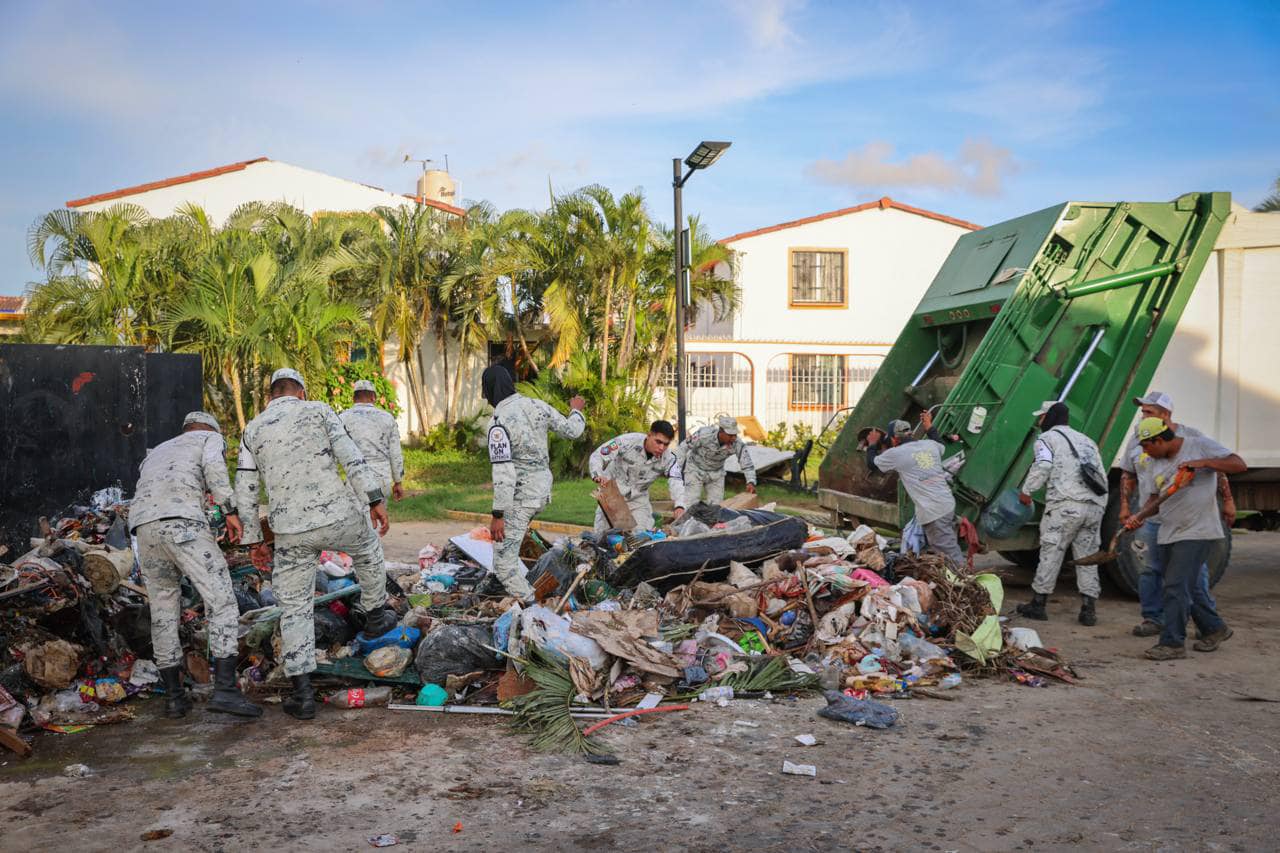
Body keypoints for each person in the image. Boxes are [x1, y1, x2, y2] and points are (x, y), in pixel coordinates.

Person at [235, 368, 395, 720]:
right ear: (302, 392)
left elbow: (245, 490)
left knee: (294, 608)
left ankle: (303, 695)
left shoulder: (253, 429)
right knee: (368, 550)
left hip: (290, 532)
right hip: (338, 515)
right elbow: (351, 457)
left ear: (270, 397)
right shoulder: (320, 410)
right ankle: (375, 615)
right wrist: (374, 499)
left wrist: (253, 540)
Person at [130, 411, 261, 720]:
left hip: (143, 530)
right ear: (212, 430)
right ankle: (226, 690)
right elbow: (215, 472)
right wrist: (230, 510)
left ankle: (175, 698)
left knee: (163, 611)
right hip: (183, 524)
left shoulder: (158, 450)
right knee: (221, 600)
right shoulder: (209, 438)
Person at [1123, 417, 1244, 660]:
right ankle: (1214, 627)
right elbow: (1154, 501)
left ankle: (1172, 643)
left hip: (1198, 530)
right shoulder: (1156, 462)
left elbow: (1238, 464)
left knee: (1175, 586)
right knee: (1186, 585)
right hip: (1169, 531)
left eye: (1147, 446)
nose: (1144, 452)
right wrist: (1139, 517)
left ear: (1159, 439)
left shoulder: (1198, 445)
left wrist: (1203, 463)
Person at [484, 365, 586, 601]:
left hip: (519, 498)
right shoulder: (537, 405)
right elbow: (572, 430)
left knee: (504, 567)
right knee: (508, 549)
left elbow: (503, 473)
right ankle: (498, 593)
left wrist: (498, 514)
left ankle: (534, 606)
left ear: (489, 390)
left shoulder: (498, 422)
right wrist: (576, 410)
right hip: (541, 493)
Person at [1013, 401, 1107, 625]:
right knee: (1087, 556)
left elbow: (1043, 465)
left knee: (1052, 551)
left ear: (1049, 417)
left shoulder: (1046, 439)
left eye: (1042, 416)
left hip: (1066, 505)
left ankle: (1038, 604)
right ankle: (1088, 610)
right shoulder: (1087, 440)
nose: (1039, 421)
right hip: (1094, 506)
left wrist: (1027, 490)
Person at [862, 411, 964, 565]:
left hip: (933, 511)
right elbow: (940, 444)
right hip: (947, 504)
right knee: (942, 548)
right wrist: (929, 426)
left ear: (894, 438)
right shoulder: (929, 445)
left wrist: (872, 444)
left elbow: (872, 464)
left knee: (949, 554)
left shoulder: (896, 454)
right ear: (910, 433)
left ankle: (965, 583)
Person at [590, 421, 687, 534]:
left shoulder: (669, 458)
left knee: (642, 537)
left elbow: (676, 480)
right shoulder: (627, 441)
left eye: (666, 444)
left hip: (638, 499)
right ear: (649, 435)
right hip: (613, 494)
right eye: (658, 442)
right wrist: (597, 474)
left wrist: (680, 505)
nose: (661, 448)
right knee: (605, 537)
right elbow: (599, 455)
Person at [339, 379, 405, 503]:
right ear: (374, 397)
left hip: (355, 478)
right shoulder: (387, 418)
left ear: (354, 398)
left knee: (359, 518)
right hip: (381, 479)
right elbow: (395, 453)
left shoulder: (343, 418)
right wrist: (398, 482)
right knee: (379, 517)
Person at [679, 415, 757, 505]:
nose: (733, 438)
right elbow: (683, 447)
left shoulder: (737, 443)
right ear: (721, 431)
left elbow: (746, 463)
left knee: (716, 506)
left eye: (735, 434)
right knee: (690, 503)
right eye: (730, 435)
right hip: (695, 470)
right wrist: (676, 470)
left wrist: (751, 481)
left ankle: (710, 519)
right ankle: (687, 518)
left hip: (716, 473)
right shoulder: (704, 434)